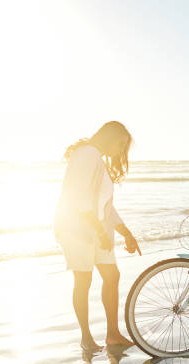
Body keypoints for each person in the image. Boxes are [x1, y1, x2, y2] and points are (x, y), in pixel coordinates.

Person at [54, 121, 142, 352]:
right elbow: (78, 198)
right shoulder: (86, 155)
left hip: (96, 227)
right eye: (121, 144)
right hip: (77, 228)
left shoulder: (96, 158)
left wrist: (127, 233)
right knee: (83, 280)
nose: (121, 151)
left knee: (111, 276)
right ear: (109, 137)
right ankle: (86, 338)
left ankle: (113, 334)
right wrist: (101, 231)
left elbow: (106, 206)